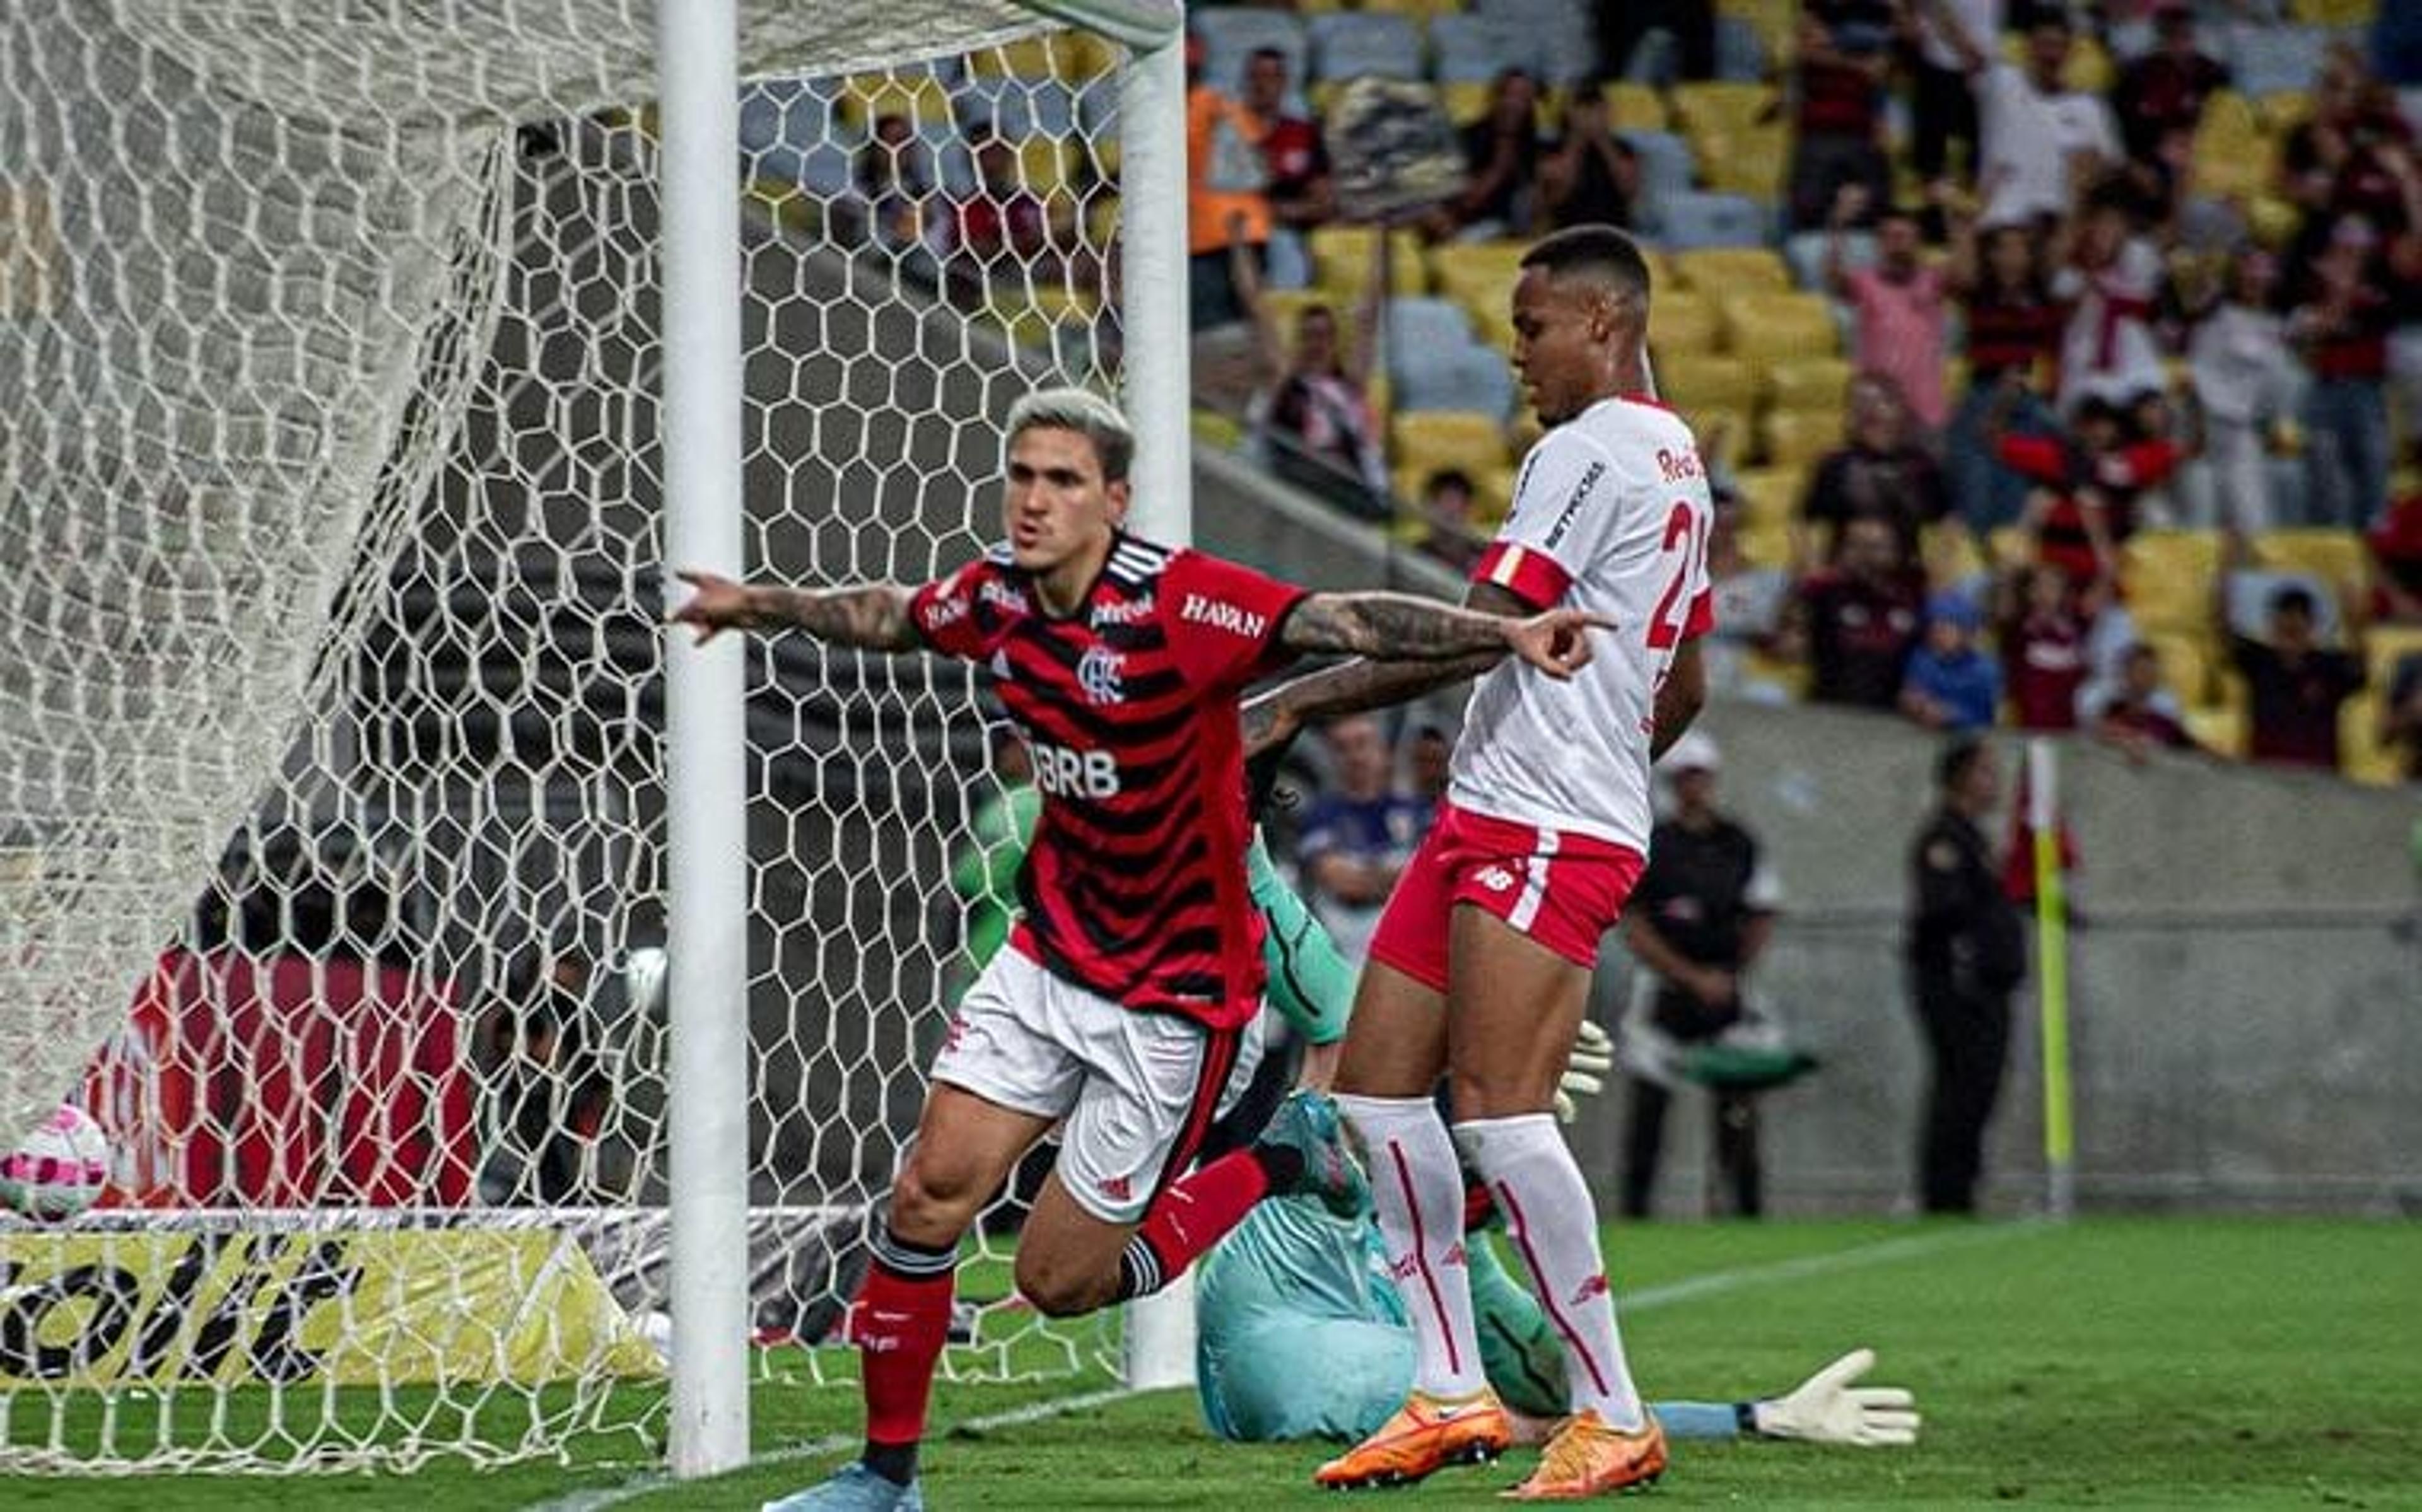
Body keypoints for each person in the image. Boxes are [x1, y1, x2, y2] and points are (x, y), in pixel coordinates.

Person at [669, 387, 1610, 1512]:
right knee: (925, 1196)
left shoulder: (1180, 604)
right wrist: (759, 604)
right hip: (1047, 957)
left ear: (1113, 499)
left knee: (1057, 1279)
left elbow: (1345, 622)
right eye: (1022, 473)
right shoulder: (996, 598)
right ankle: (884, 1478)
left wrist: (1503, 633)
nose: (1033, 499)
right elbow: (893, 613)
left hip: (1176, 1001)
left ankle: (1275, 1159)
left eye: (1063, 480)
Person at [1248, 225, 1714, 1499]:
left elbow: (1483, 630)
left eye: (1534, 327)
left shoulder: (1586, 449)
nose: (1516, 354)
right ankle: (1452, 1387)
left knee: (1503, 1115)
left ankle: (1613, 1408)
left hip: (1544, 821)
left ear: (1604, 326)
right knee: (1380, 1098)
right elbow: (1691, 670)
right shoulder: (1674, 451)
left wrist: (1293, 700)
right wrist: (1614, 748)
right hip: (1498, 807)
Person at [1615, 732, 1782, 1221]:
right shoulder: (1654, 844)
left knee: (1738, 1106)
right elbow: (1636, 924)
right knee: (1650, 1106)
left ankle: (1746, 1210)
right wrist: (1689, 976)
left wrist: (1729, 973)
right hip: (1665, 989)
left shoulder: (1740, 842)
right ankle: (1637, 1211)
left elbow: (1762, 910)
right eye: (1686, 777)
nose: (1696, 786)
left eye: (1702, 776)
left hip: (1726, 988)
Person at [1906, 735, 2025, 1216]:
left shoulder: (1974, 838)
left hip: (1987, 982)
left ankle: (1965, 1185)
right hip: (1958, 983)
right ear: (1960, 777)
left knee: (1981, 1086)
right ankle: (1945, 1193)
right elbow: (1944, 909)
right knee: (1960, 1084)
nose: (1993, 783)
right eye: (1985, 772)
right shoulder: (1944, 838)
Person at [2218, 534, 2367, 771]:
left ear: (2311, 627)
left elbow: (2359, 668)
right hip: (2265, 778)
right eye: (2284, 618)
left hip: (2319, 783)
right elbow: (2224, 631)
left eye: (2299, 620)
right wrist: (2226, 571)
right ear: (2273, 625)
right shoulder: (2258, 660)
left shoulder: (2329, 667)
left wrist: (2354, 620)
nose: (2291, 625)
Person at [1296, 714, 1429, 967]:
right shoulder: (1320, 815)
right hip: (1346, 954)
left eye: (1362, 744)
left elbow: (1434, 879)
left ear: (1384, 750)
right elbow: (1343, 883)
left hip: (1409, 952)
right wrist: (1401, 877)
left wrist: (1367, 877)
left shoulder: (1417, 811)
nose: (1355, 757)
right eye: (1342, 749)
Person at [1825, 193, 1953, 434]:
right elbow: (1833, 280)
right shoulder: (1865, 282)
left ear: (1918, 241)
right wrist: (1838, 225)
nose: (1896, 242)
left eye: (1903, 236)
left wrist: (1953, 216)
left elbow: (1967, 275)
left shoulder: (1934, 280)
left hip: (1927, 413)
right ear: (1878, 243)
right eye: (1888, 236)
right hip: (1877, 414)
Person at [1790, 515, 1925, 711]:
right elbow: (1791, 630)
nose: (1865, 555)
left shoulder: (1914, 598)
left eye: (1875, 547)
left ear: (1898, 552)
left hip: (1894, 718)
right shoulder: (1826, 593)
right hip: (1832, 710)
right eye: (1855, 545)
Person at [1540, 80, 1642, 232]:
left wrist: (1602, 140)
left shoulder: (1623, 148)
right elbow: (1557, 196)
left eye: (1595, 108)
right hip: (1568, 231)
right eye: (1583, 108)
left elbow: (1629, 192)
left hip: (1615, 231)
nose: (1589, 115)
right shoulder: (1553, 148)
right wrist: (1576, 139)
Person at [1900, 593, 2002, 733]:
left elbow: (1986, 716)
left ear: (1967, 633)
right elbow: (1913, 694)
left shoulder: (1985, 669)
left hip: (1969, 741)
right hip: (1921, 735)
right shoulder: (1921, 659)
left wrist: (1952, 716)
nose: (1937, 636)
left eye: (1945, 630)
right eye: (1933, 630)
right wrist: (1913, 703)